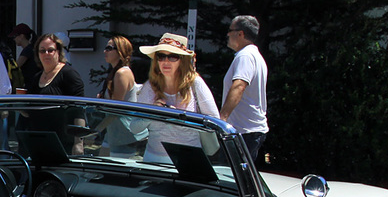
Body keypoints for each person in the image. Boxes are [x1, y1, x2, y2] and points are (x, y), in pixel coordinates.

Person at [137, 31, 220, 163]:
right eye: (161, 56)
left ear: (182, 60)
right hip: (153, 159)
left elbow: (214, 121)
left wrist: (180, 118)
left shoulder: (195, 83)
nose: (166, 61)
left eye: (173, 57)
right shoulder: (150, 87)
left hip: (188, 160)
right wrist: (153, 111)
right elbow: (135, 127)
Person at [220, 14, 269, 162]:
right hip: (250, 131)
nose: (228, 34)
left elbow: (239, 86)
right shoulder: (254, 55)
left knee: (234, 180)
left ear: (240, 33)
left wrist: (221, 120)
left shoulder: (245, 56)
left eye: (230, 30)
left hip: (244, 132)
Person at [97, 34, 143, 156]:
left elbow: (115, 110)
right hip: (113, 132)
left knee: (114, 173)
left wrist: (96, 130)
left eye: (109, 48)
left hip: (123, 136)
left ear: (120, 51)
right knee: (101, 168)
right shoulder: (116, 72)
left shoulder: (122, 73)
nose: (105, 51)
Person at [25, 32, 86, 97]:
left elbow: (78, 103)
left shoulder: (68, 74)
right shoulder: (36, 78)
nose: (46, 53)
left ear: (58, 52)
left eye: (50, 50)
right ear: (38, 54)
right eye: (42, 51)